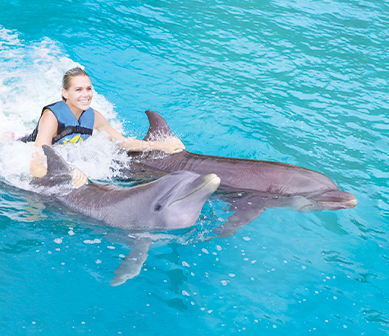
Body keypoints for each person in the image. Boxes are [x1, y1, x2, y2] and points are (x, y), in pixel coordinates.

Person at [22, 67, 185, 188]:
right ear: (65, 93)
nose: (86, 95)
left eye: (88, 89)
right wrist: (66, 173)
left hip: (62, 146)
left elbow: (122, 142)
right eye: (78, 90)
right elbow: (37, 159)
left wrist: (162, 146)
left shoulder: (94, 117)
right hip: (24, 147)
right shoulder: (52, 117)